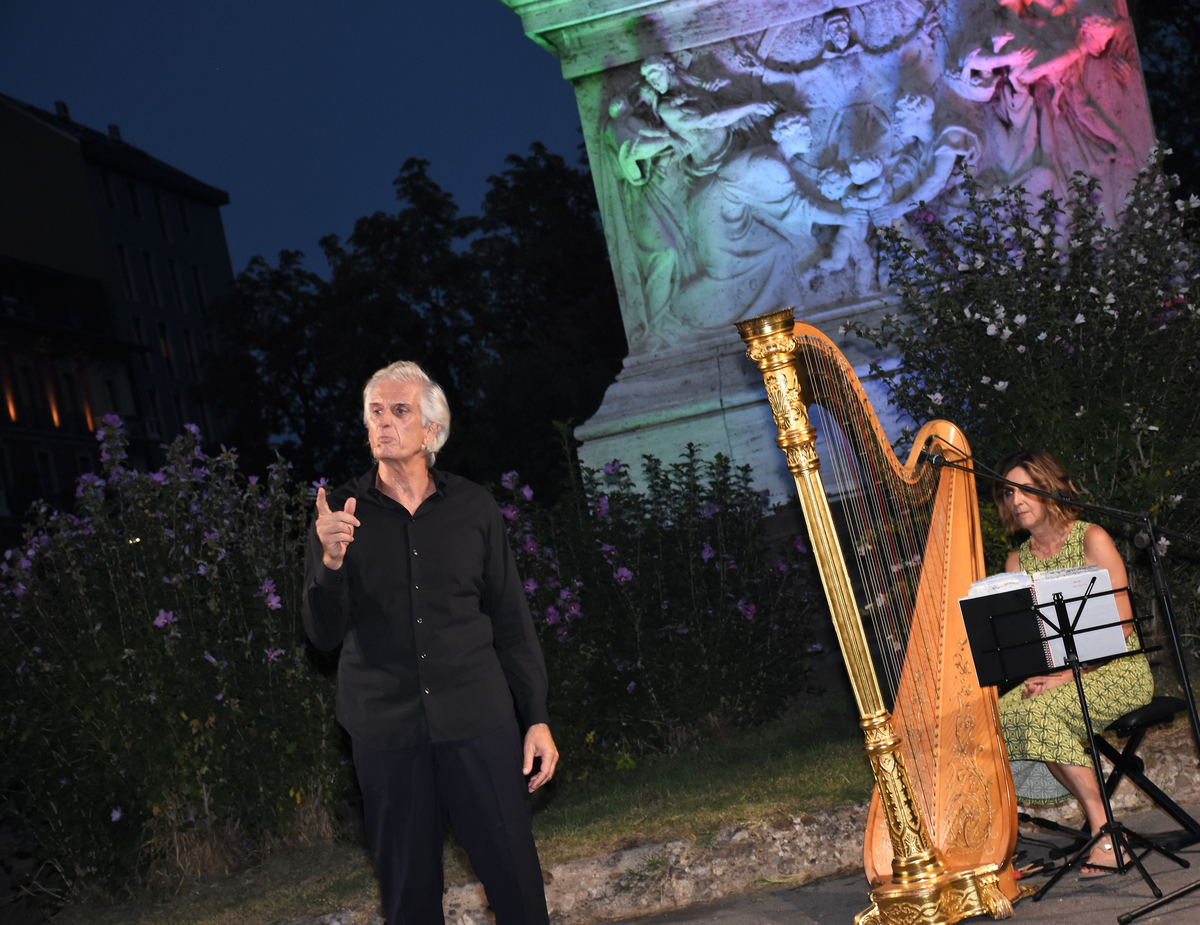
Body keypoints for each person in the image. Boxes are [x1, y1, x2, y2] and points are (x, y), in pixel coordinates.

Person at [302, 361, 558, 923]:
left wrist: (535, 717)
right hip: (386, 732)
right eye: (375, 411)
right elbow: (320, 636)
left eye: (400, 411)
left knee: (516, 883)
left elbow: (512, 621)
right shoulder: (339, 517)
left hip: (479, 722)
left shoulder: (475, 509)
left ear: (431, 432)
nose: (384, 422)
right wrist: (330, 562)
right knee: (409, 899)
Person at [993, 449, 1152, 877]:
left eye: (1026, 489)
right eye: (1009, 493)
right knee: (992, 717)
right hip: (1059, 677)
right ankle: (995, 845)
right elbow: (1029, 644)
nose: (1017, 501)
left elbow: (1120, 626)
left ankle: (1105, 829)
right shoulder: (1015, 563)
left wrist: (1069, 675)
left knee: (1042, 713)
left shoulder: (1091, 538)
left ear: (1048, 488)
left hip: (1117, 670)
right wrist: (1039, 676)